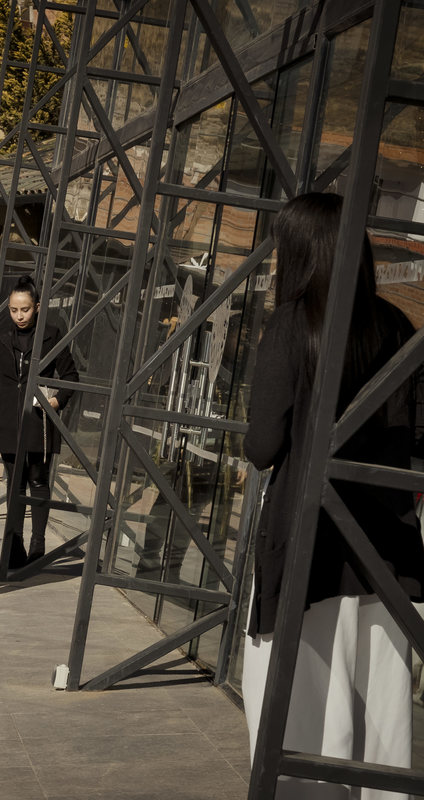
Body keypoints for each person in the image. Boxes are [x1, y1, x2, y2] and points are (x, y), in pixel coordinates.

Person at [242, 192, 424, 799]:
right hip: (386, 544)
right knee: (380, 693)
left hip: (308, 540)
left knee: (299, 691)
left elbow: (264, 444)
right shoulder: (397, 323)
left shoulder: (292, 323)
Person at [0, 275, 79, 568]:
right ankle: (15, 546)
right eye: (14, 309)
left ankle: (38, 544)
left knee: (37, 480)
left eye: (24, 309)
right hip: (7, 420)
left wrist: (56, 401)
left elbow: (71, 378)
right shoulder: (0, 337)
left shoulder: (52, 334)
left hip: (40, 419)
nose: (19, 315)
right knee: (15, 484)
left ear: (37, 306)